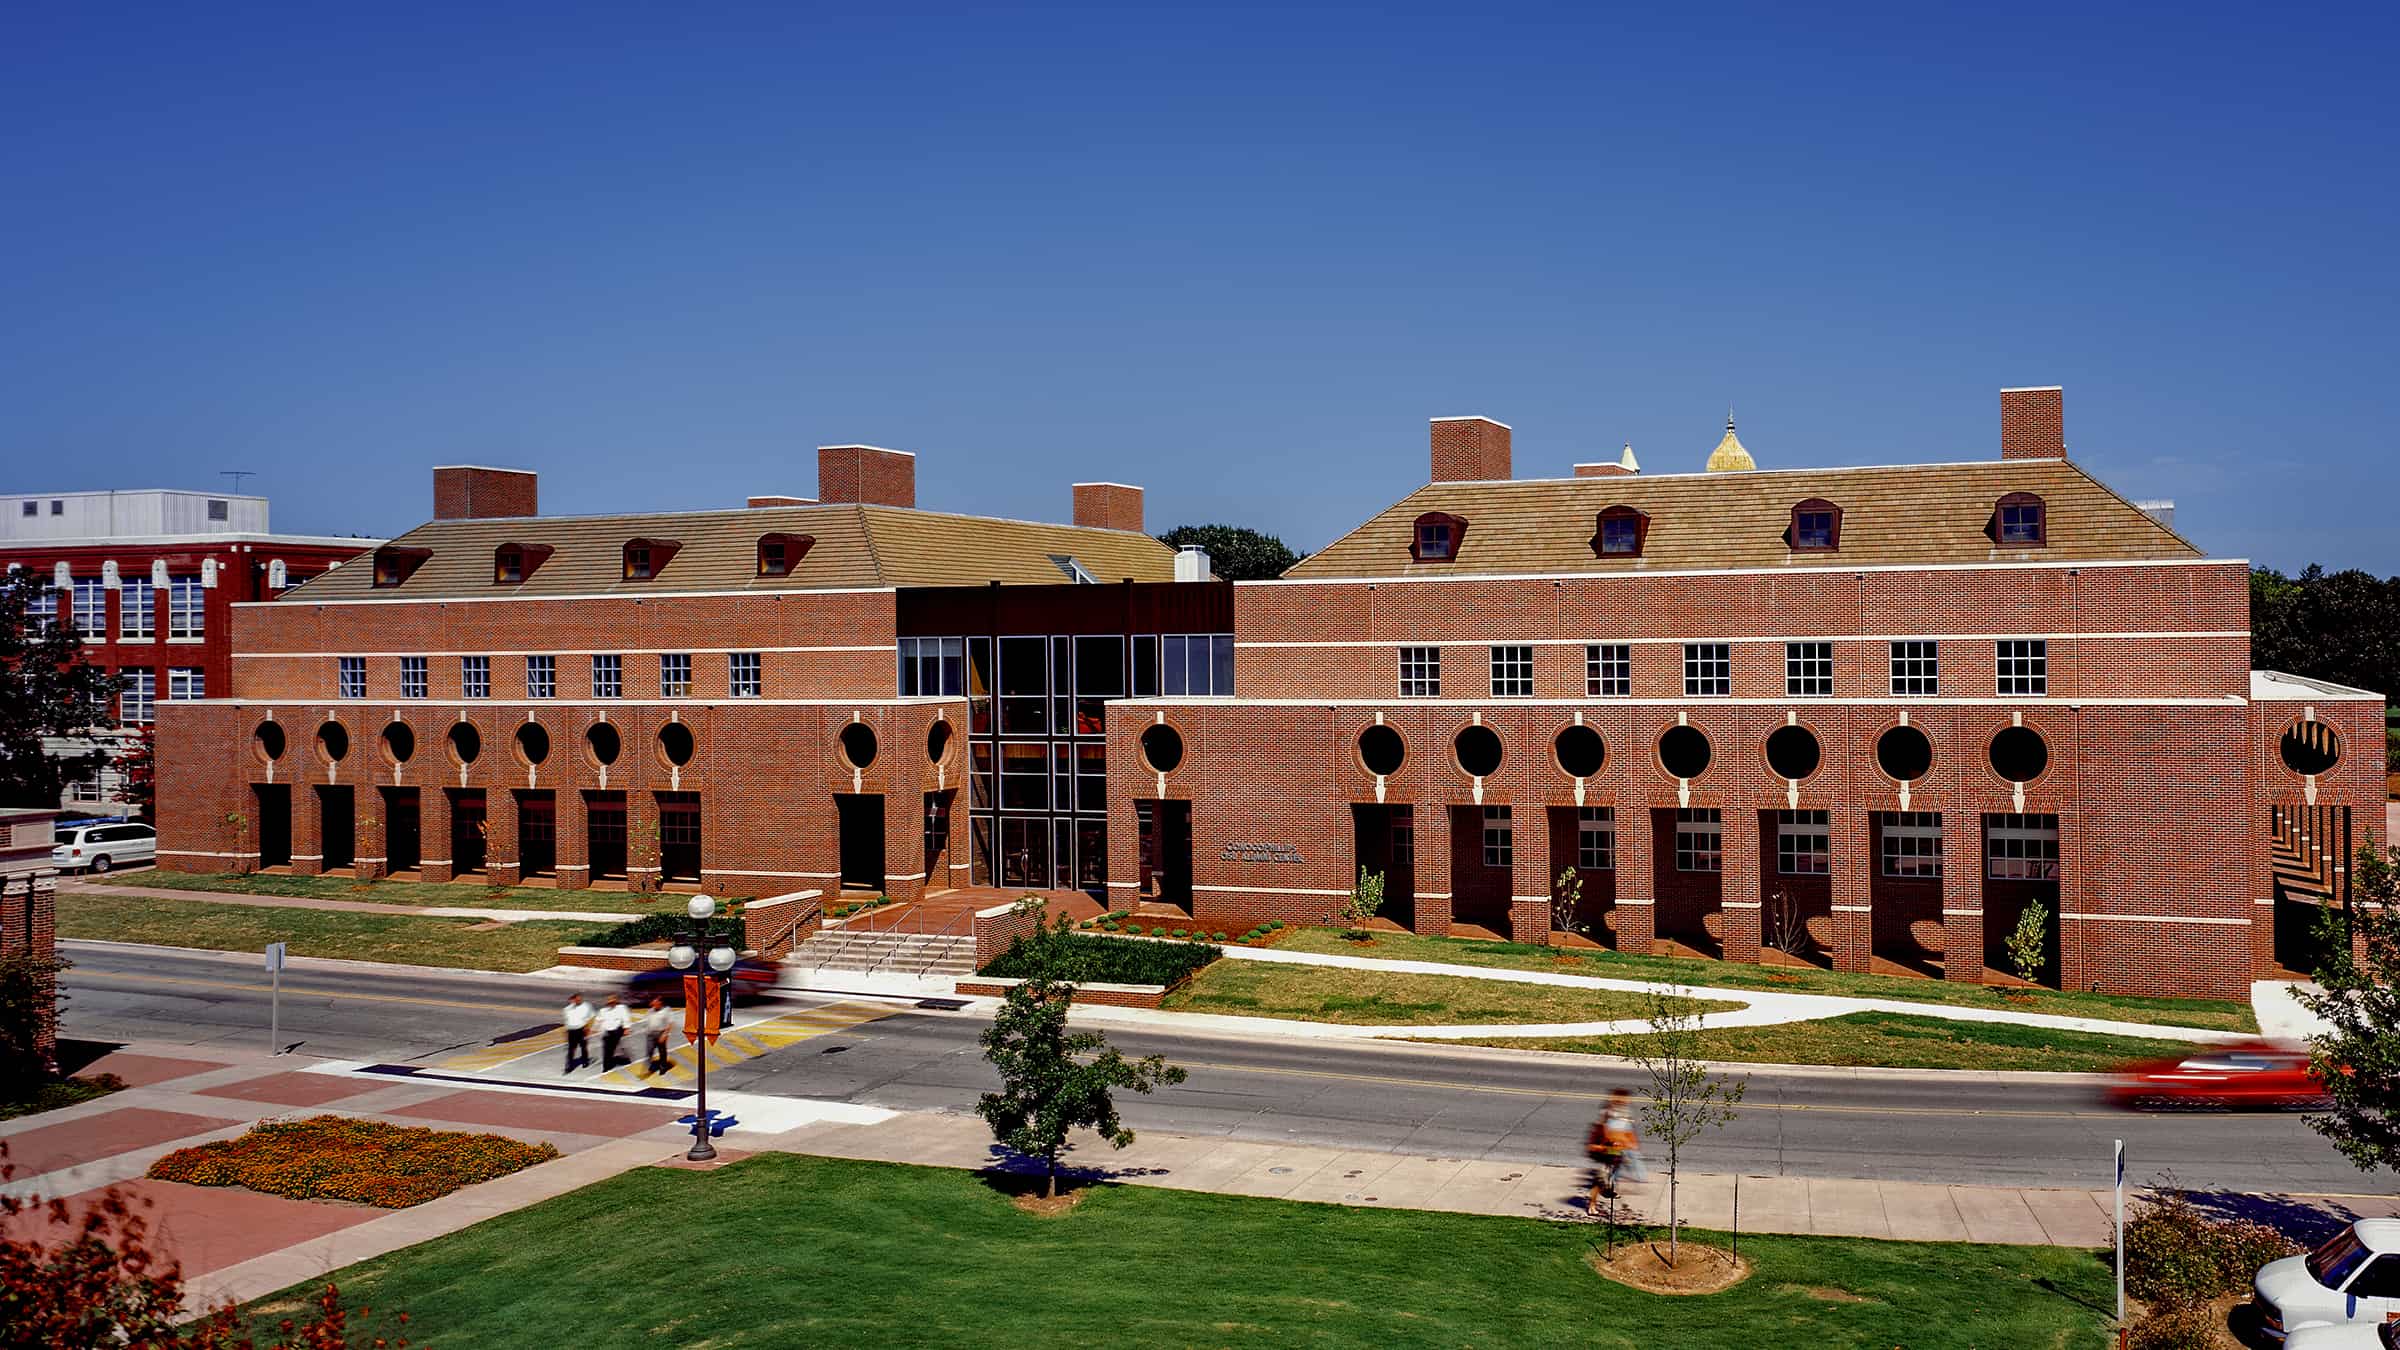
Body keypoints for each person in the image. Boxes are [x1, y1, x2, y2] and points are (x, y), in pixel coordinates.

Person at [1585, 1088, 1646, 1212]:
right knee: (1600, 1179)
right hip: (1605, 1150)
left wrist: (1629, 1143)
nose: (1626, 1102)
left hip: (1616, 1151)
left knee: (1613, 1173)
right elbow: (1604, 1131)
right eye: (1623, 1099)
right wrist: (1613, 1141)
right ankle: (1592, 1204)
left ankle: (1609, 1188)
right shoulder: (1607, 1111)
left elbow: (1627, 1130)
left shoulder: (1624, 1111)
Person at [596, 994, 631, 1071]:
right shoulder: (603, 1011)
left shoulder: (621, 1008)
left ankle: (621, 1059)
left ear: (616, 1001)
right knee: (606, 1049)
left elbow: (626, 1018)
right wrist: (594, 1029)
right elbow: (598, 1021)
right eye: (610, 1002)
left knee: (612, 1048)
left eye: (613, 1001)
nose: (611, 1003)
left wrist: (626, 1028)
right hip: (606, 1031)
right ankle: (606, 1067)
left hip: (617, 1030)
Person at [561, 993, 592, 1074]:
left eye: (580, 999)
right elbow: (566, 1022)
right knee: (571, 1050)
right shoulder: (566, 1009)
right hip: (571, 1031)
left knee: (583, 1047)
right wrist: (566, 1033)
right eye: (577, 999)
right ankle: (569, 1066)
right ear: (572, 1000)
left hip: (581, 1030)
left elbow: (591, 1017)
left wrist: (588, 1028)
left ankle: (585, 1061)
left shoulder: (586, 1006)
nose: (579, 1001)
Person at [642, 996, 673, 1076]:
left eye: (655, 1002)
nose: (653, 1004)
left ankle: (663, 1067)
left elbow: (670, 1023)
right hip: (650, 1034)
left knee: (662, 1052)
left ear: (660, 1002)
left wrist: (665, 1034)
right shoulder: (650, 1011)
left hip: (661, 1033)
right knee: (649, 1051)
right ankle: (649, 1068)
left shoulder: (666, 1010)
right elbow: (647, 1021)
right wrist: (646, 1031)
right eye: (653, 1002)